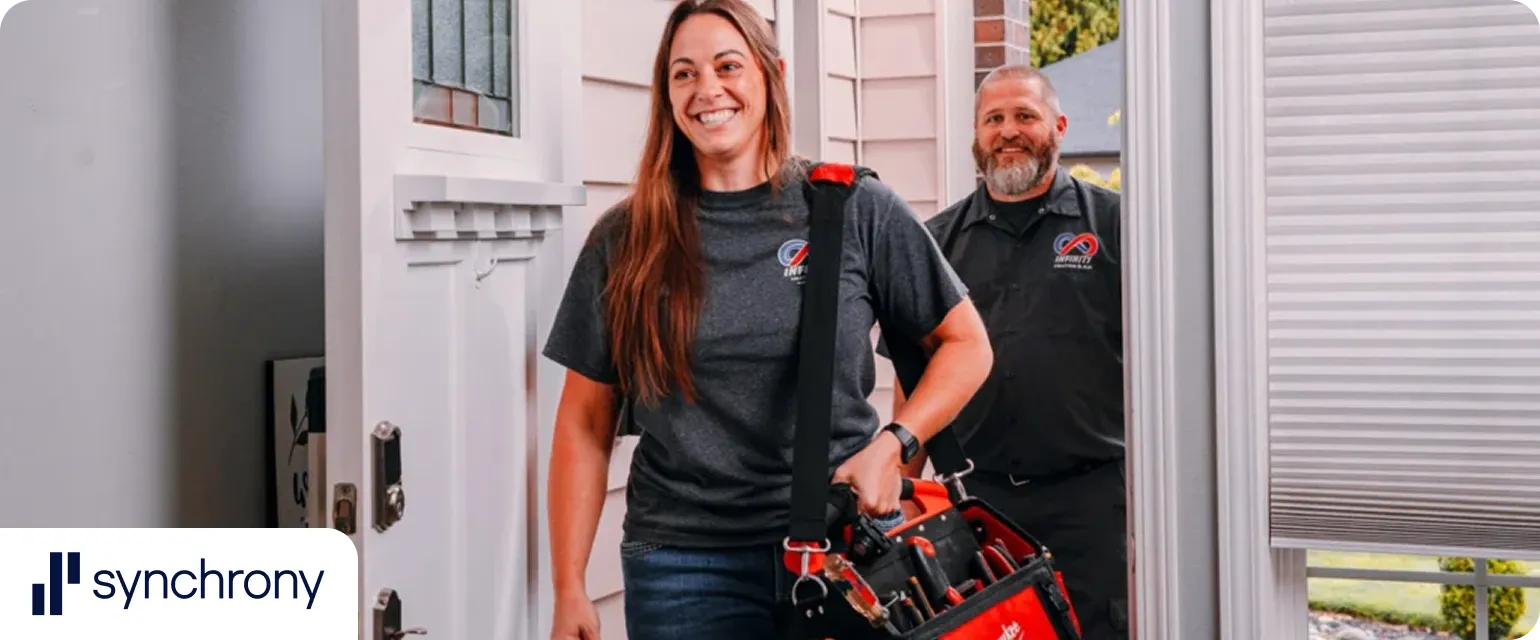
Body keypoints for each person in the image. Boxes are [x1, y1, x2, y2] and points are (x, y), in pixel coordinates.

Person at [541, 1, 994, 639]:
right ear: (666, 94)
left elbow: (966, 345)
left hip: (845, 547)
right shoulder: (626, 239)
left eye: (729, 66)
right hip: (682, 565)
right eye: (684, 74)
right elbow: (583, 424)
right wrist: (569, 588)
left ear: (770, 75)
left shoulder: (849, 208)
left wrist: (895, 445)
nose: (707, 90)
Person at [885, 64, 1127, 639]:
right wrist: (901, 499)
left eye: (1025, 115)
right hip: (976, 504)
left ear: (1059, 126)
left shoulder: (1117, 226)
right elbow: (911, 375)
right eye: (993, 118)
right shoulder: (936, 242)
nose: (1008, 130)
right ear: (976, 133)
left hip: (1091, 501)